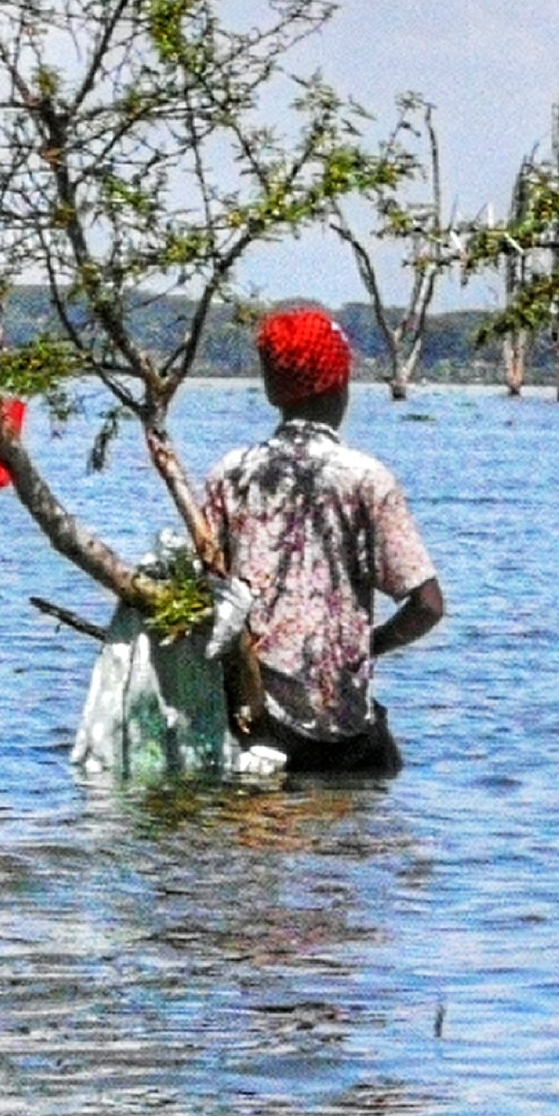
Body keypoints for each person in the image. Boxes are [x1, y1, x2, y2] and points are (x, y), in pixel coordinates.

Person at [200, 308, 445, 777]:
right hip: (341, 729)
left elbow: (205, 591)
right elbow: (428, 606)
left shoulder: (229, 474)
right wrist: (368, 645)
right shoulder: (364, 479)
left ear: (273, 390)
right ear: (340, 386)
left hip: (251, 724)